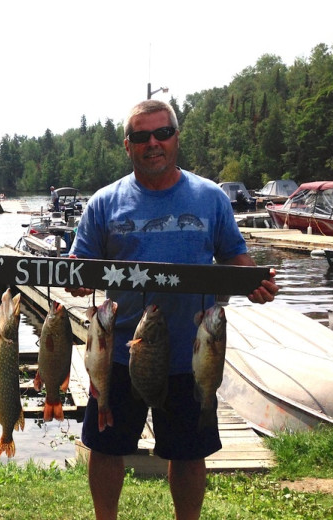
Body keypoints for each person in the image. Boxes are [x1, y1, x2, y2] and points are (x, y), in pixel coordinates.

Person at [67, 99, 278, 520]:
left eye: (162, 133)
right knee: (106, 447)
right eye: (142, 136)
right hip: (121, 353)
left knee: (186, 453)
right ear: (127, 146)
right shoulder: (104, 202)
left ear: (176, 137)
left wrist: (254, 281)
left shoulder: (210, 197)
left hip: (192, 355)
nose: (153, 144)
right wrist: (77, 276)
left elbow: (235, 254)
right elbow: (79, 270)